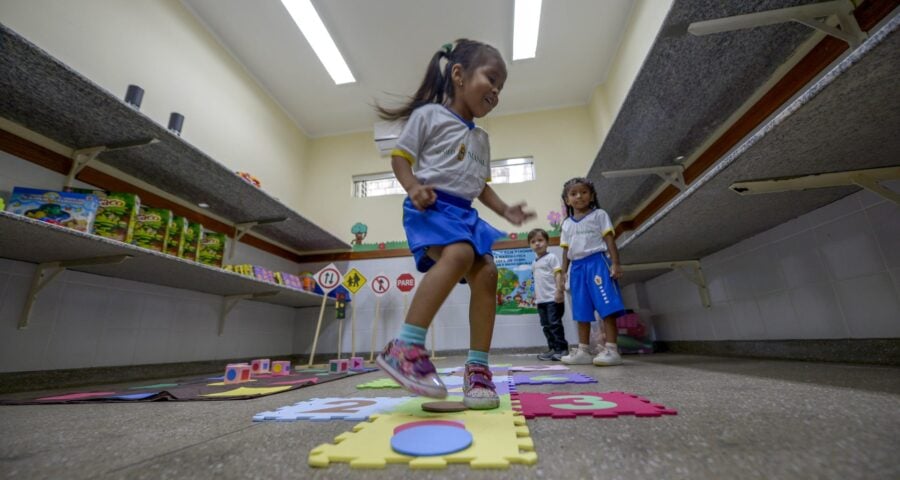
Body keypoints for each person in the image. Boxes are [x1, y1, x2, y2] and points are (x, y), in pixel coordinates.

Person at [374, 39, 535, 409]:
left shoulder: (481, 138)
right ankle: (405, 347)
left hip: (465, 213)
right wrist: (413, 186)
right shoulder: (428, 116)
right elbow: (400, 159)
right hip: (431, 207)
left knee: (488, 273)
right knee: (460, 254)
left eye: (501, 88)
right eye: (491, 79)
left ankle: (477, 369)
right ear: (459, 75)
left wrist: (505, 210)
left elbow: (479, 186)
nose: (496, 91)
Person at [558, 177, 626, 366]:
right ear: (567, 200)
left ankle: (612, 349)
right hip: (577, 268)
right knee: (581, 310)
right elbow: (565, 250)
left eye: (583, 192)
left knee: (607, 307)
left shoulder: (599, 215)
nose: (579, 196)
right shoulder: (566, 224)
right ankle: (583, 351)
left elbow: (610, 240)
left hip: (597, 263)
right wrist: (563, 274)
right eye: (573, 194)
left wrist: (616, 263)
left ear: (592, 196)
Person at [528, 228, 569, 361]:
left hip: (552, 298)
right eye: (533, 242)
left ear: (547, 242)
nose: (537, 244)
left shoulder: (551, 258)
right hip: (541, 301)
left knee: (555, 324)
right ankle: (552, 349)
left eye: (540, 240)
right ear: (530, 245)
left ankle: (562, 349)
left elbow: (558, 274)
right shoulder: (534, 263)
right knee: (546, 326)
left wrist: (559, 290)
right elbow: (537, 281)